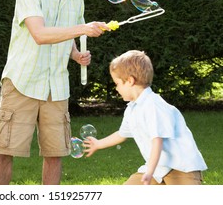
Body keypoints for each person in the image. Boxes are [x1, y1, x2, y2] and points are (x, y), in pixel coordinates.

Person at [0, 0, 110, 185]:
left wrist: (76, 54)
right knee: (5, 152)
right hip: (22, 81)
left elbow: (67, 36)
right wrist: (82, 29)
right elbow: (41, 34)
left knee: (55, 154)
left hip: (56, 87)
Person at [84, 50, 208, 185]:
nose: (116, 89)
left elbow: (157, 141)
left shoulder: (153, 106)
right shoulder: (132, 109)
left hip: (182, 168)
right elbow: (121, 134)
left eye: (117, 83)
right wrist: (98, 144)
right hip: (157, 169)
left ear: (130, 81)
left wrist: (149, 172)